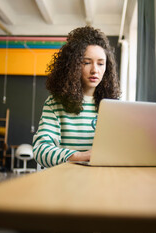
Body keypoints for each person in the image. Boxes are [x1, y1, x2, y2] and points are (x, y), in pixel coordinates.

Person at [33, 26, 121, 168]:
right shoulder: (55, 103)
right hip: (65, 182)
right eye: (86, 62)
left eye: (100, 63)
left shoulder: (114, 107)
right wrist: (79, 156)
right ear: (73, 65)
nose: (95, 70)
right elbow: (41, 150)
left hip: (102, 181)